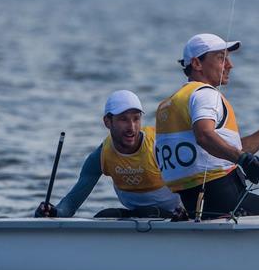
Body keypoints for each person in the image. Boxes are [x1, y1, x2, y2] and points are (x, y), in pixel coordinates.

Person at [155, 33, 259, 220]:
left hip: (194, 204)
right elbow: (205, 136)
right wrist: (243, 160)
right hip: (226, 198)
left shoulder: (167, 104)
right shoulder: (205, 94)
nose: (230, 65)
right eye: (221, 58)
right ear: (197, 64)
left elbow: (222, 150)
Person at [35, 90, 183, 219]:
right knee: (104, 216)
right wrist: (53, 212)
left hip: (174, 215)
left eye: (136, 119)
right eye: (123, 119)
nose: (131, 127)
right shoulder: (102, 156)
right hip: (137, 215)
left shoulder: (159, 145)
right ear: (107, 122)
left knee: (149, 212)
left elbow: (193, 179)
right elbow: (72, 203)